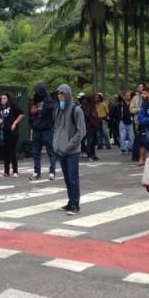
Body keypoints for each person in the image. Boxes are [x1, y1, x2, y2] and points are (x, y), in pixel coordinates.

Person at [52, 84, 86, 214]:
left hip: (72, 151)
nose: (60, 96)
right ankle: (70, 201)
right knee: (67, 178)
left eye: (62, 93)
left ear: (67, 94)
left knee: (73, 178)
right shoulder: (57, 110)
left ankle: (75, 204)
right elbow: (56, 128)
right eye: (58, 94)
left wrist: (69, 145)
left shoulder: (76, 110)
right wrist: (56, 144)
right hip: (60, 150)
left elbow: (81, 131)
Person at [29, 84, 57, 180]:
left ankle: (52, 171)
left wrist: (39, 109)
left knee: (51, 152)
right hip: (37, 129)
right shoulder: (36, 99)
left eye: (37, 91)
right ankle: (37, 172)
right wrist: (38, 109)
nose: (36, 93)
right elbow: (32, 111)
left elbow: (49, 108)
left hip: (46, 129)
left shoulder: (48, 100)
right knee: (36, 152)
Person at [0, 92, 25, 177]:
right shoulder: (1, 108)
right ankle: (6, 171)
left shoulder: (13, 106)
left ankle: (15, 171)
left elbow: (22, 114)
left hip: (12, 132)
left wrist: (15, 123)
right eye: (2, 98)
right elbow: (0, 117)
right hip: (4, 132)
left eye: (4, 98)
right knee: (5, 152)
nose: (3, 100)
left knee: (12, 151)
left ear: (8, 99)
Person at [112, 91, 134, 155]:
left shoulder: (133, 103)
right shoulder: (120, 104)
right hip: (122, 121)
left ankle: (130, 148)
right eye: (126, 95)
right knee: (122, 136)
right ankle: (124, 149)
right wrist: (118, 118)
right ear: (124, 96)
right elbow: (115, 113)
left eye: (129, 95)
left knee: (131, 136)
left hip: (131, 121)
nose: (127, 96)